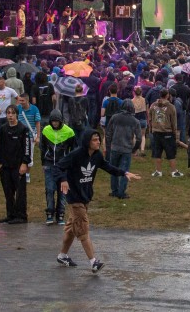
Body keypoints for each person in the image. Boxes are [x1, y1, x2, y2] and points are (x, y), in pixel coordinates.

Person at [54, 129, 141, 273]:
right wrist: (63, 180)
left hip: (86, 195)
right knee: (83, 228)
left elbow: (108, 167)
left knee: (71, 229)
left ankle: (62, 255)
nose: (98, 142)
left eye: (99, 139)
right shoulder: (76, 155)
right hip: (74, 197)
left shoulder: (97, 155)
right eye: (95, 140)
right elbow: (58, 167)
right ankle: (93, 262)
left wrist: (124, 173)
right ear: (87, 142)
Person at [40, 109, 76, 225]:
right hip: (49, 164)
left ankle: (60, 214)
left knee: (63, 190)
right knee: (50, 189)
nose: (55, 123)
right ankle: (49, 212)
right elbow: (43, 148)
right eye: (53, 121)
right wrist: (43, 163)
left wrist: (70, 164)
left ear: (61, 121)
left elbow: (73, 150)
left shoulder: (69, 132)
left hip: (63, 166)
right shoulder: (46, 130)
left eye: (57, 121)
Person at [0, 105, 31, 224]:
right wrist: (0, 162)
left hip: (18, 165)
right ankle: (10, 214)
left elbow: (27, 147)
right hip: (6, 165)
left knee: (20, 191)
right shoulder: (3, 128)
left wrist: (25, 163)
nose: (10, 115)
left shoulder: (23, 129)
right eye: (8, 113)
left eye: (12, 113)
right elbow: (0, 145)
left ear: (17, 114)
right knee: (8, 191)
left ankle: (21, 215)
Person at [105, 100, 142, 198]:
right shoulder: (135, 121)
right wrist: (134, 150)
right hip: (127, 149)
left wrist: (109, 145)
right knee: (125, 171)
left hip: (115, 147)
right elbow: (139, 138)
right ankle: (121, 193)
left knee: (113, 170)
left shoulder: (114, 117)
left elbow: (108, 133)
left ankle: (114, 191)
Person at [149, 89, 186, 177]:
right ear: (168, 95)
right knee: (171, 153)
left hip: (156, 132)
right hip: (167, 132)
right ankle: (174, 171)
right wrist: (175, 132)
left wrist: (151, 128)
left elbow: (150, 118)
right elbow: (174, 121)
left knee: (157, 153)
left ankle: (158, 171)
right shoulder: (171, 107)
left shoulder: (153, 105)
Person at [16, 94, 42, 183]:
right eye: (20, 100)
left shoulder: (34, 109)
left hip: (30, 136)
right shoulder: (18, 108)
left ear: (27, 100)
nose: (21, 102)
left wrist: (38, 136)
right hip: (19, 136)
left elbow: (38, 123)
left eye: (22, 100)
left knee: (29, 156)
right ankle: (19, 172)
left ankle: (27, 174)